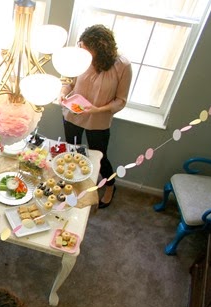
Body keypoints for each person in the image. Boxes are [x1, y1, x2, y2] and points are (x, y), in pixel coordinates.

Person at [59, 24, 132, 209]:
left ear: (100, 49)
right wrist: (63, 92)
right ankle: (74, 184)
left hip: (99, 119)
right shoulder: (80, 58)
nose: (82, 51)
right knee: (72, 151)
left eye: (86, 48)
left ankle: (110, 185)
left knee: (100, 156)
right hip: (73, 115)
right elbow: (69, 82)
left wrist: (97, 110)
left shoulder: (122, 66)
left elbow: (121, 100)